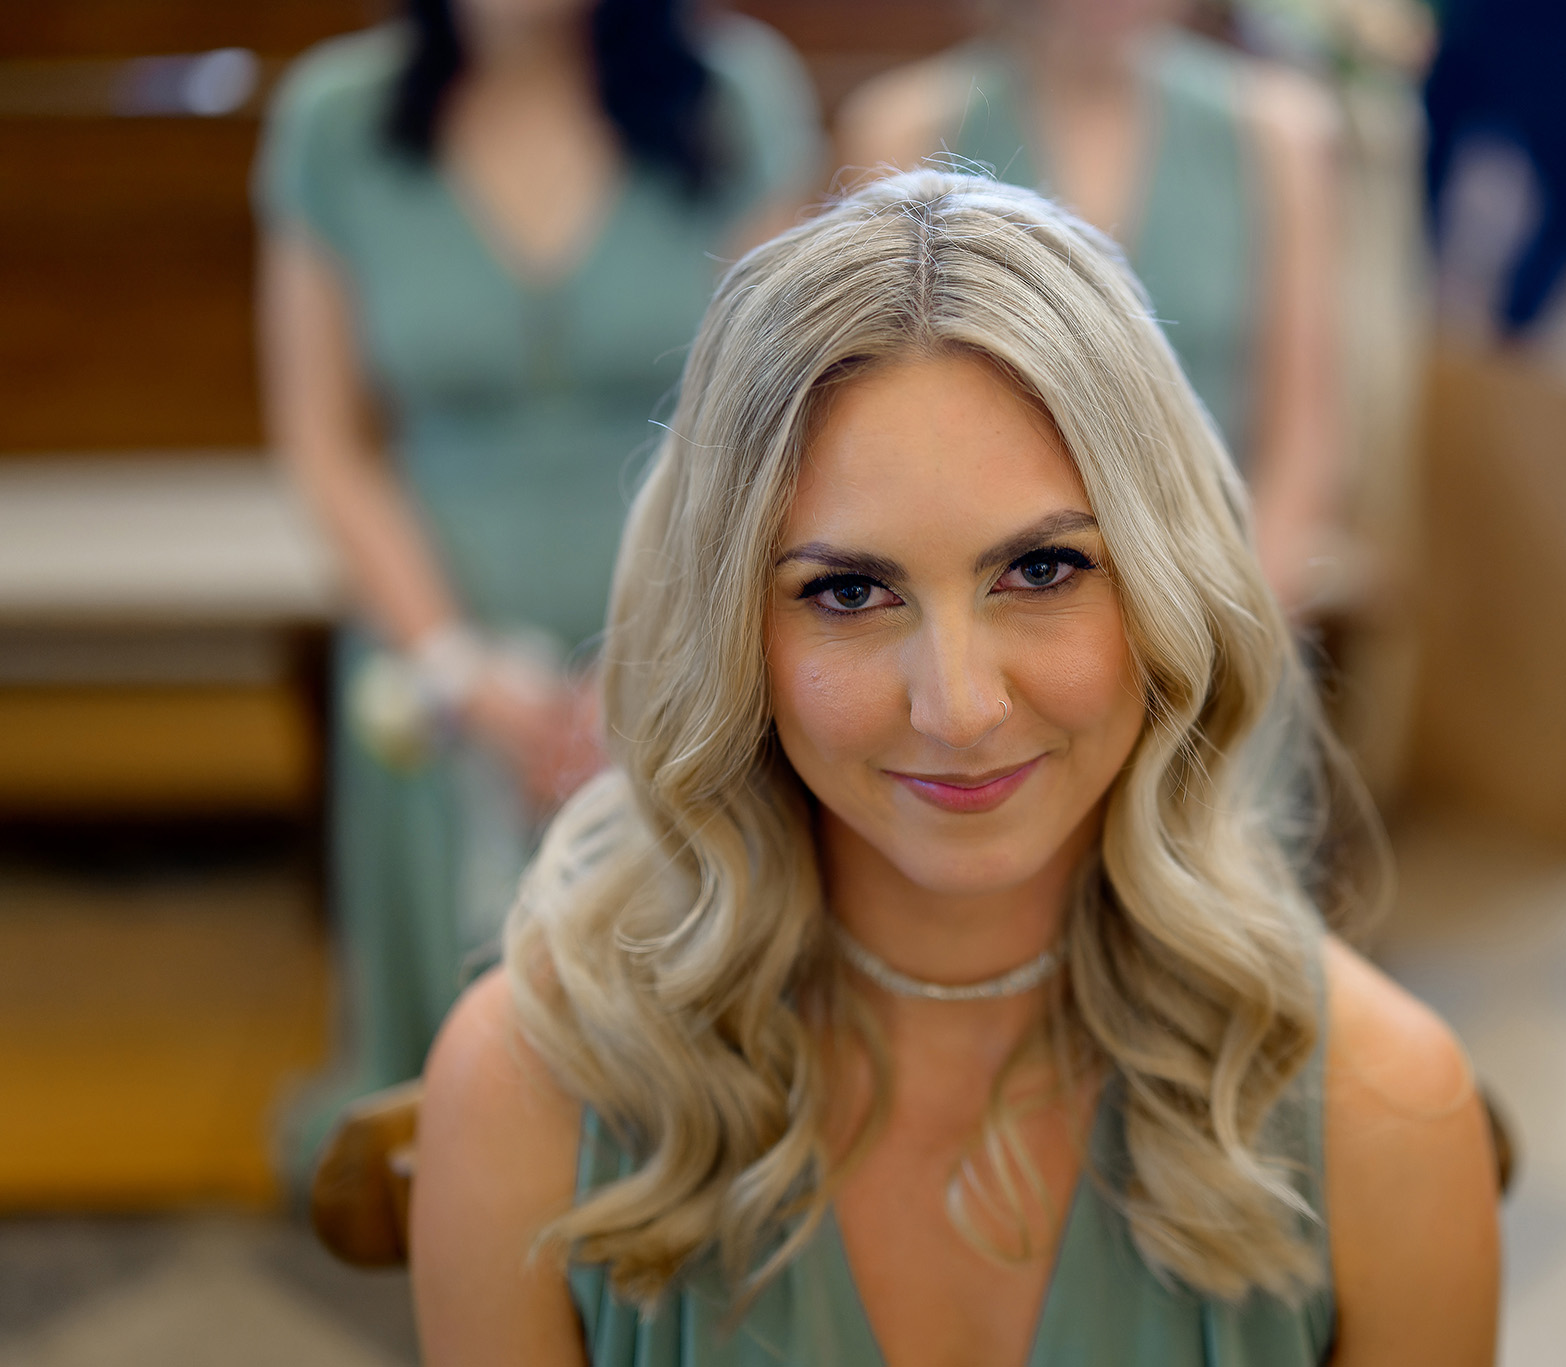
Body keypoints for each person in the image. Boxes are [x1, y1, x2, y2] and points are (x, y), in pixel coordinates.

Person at [411, 171, 1498, 1366]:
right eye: (848, 590)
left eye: (1040, 570)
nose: (960, 707)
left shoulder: (1383, 1111)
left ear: (1167, 588)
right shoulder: (526, 1091)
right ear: (733, 633)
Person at [254, 0, 821, 1154]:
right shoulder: (333, 118)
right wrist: (455, 664)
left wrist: (656, 663)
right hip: (434, 653)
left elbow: (774, 407)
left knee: (696, 1046)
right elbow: (323, 438)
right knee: (459, 1077)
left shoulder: (736, 93)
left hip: (689, 634)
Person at [836, 1, 1349, 618]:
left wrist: (1240, 615)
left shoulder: (1277, 132)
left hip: (1219, 582)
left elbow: (1304, 435)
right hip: (994, 590)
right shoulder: (905, 126)